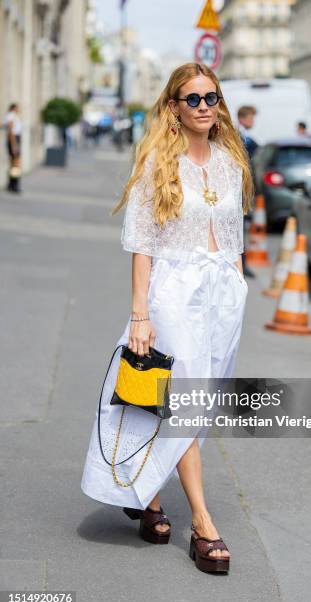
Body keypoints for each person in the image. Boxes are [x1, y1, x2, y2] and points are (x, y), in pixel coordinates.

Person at [80, 63, 253, 574]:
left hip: (223, 292)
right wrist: (140, 315)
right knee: (185, 402)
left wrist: (238, 286)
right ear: (173, 108)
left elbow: (235, 234)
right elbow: (141, 245)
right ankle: (202, 522)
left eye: (212, 97)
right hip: (175, 292)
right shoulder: (158, 161)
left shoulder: (229, 162)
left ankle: (149, 498)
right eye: (193, 98)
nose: (205, 106)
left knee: (200, 396)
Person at [237, 105, 258, 278]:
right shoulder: (241, 137)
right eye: (251, 118)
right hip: (240, 190)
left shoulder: (247, 137)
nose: (253, 121)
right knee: (239, 229)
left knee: (243, 228)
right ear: (243, 119)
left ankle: (242, 264)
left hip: (244, 190)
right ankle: (241, 265)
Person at [4, 102, 22, 193]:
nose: (19, 109)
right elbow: (11, 131)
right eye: (18, 108)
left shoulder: (10, 115)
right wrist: (14, 145)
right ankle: (14, 184)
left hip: (14, 140)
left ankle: (11, 184)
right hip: (14, 140)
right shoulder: (11, 116)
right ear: (14, 108)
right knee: (16, 164)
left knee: (13, 164)